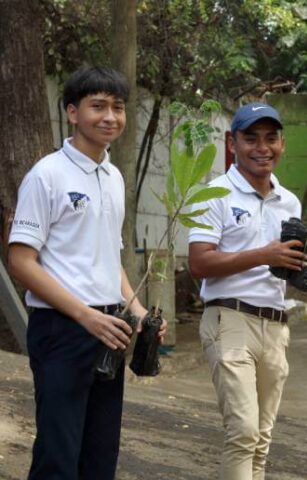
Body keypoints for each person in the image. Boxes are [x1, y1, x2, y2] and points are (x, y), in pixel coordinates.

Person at [8, 66, 165, 479]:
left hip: (109, 328)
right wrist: (84, 315)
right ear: (73, 112)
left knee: (99, 456)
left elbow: (108, 261)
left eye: (117, 107)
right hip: (62, 328)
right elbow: (21, 261)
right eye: (98, 106)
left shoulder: (113, 177)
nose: (110, 116)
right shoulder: (47, 175)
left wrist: (140, 313)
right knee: (59, 456)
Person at [188, 102, 307, 480]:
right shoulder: (214, 194)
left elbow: (283, 269)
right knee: (243, 432)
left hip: (275, 324)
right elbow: (199, 263)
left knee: (262, 438)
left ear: (282, 143)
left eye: (271, 138)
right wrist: (263, 254)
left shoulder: (289, 201)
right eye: (251, 138)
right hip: (229, 319)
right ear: (232, 143)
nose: (262, 147)